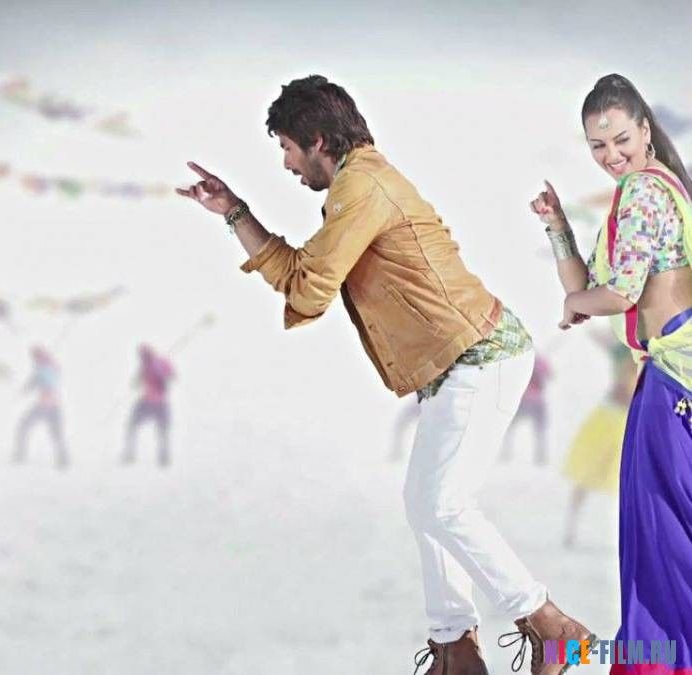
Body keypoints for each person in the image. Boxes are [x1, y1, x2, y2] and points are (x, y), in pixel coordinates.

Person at [176, 74, 591, 674]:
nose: (287, 164)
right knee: (427, 504)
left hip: (481, 354)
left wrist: (245, 221)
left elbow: (308, 289)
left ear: (318, 140)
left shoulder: (362, 186)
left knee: (441, 503)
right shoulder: (357, 185)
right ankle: (455, 649)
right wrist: (234, 212)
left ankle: (551, 626)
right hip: (455, 364)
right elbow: (302, 276)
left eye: (288, 148)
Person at [531, 73, 692, 675]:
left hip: (673, 384)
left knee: (663, 548)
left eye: (621, 140)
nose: (611, 155)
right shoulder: (649, 190)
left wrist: (575, 305)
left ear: (645, 130)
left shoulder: (645, 193)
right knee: (664, 544)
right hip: (664, 379)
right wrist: (558, 228)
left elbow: (618, 294)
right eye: (598, 146)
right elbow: (591, 286)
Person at [561, 340, 636, 549]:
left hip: (624, 418)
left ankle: (627, 535)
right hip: (610, 416)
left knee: (626, 481)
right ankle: (571, 530)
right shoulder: (624, 351)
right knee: (585, 474)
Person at [13, 346, 69, 469]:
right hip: (53, 406)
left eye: (35, 357)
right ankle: (63, 459)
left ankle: (20, 455)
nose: (34, 360)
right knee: (55, 433)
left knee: (24, 426)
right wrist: (29, 386)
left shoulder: (45, 369)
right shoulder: (47, 367)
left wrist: (33, 385)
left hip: (46, 406)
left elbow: (47, 383)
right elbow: (37, 380)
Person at [121, 344, 175, 467]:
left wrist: (161, 373)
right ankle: (130, 454)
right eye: (142, 356)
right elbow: (139, 379)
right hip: (149, 402)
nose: (143, 358)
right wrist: (136, 380)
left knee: (162, 431)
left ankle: (163, 457)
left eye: (144, 356)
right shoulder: (145, 367)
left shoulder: (159, 363)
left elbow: (171, 375)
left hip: (159, 404)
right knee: (132, 425)